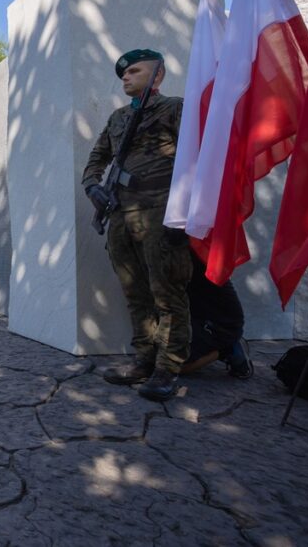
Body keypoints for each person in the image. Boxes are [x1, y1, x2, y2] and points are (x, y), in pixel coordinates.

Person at [82, 49, 191, 402]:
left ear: (157, 75)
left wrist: (183, 214)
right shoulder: (118, 118)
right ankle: (144, 359)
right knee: (135, 294)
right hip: (121, 215)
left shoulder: (175, 108)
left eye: (134, 71)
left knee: (168, 293)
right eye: (123, 74)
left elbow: (195, 160)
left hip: (161, 212)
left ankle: (168, 368)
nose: (126, 77)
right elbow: (97, 158)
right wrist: (93, 187)